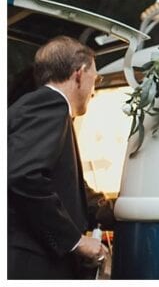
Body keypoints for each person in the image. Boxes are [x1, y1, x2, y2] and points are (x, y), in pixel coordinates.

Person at [8, 36, 114, 279]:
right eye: (95, 79)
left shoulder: (39, 107)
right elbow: (24, 176)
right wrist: (76, 241)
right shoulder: (50, 105)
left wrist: (117, 211)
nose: (94, 89)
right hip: (31, 264)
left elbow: (61, 184)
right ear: (79, 74)